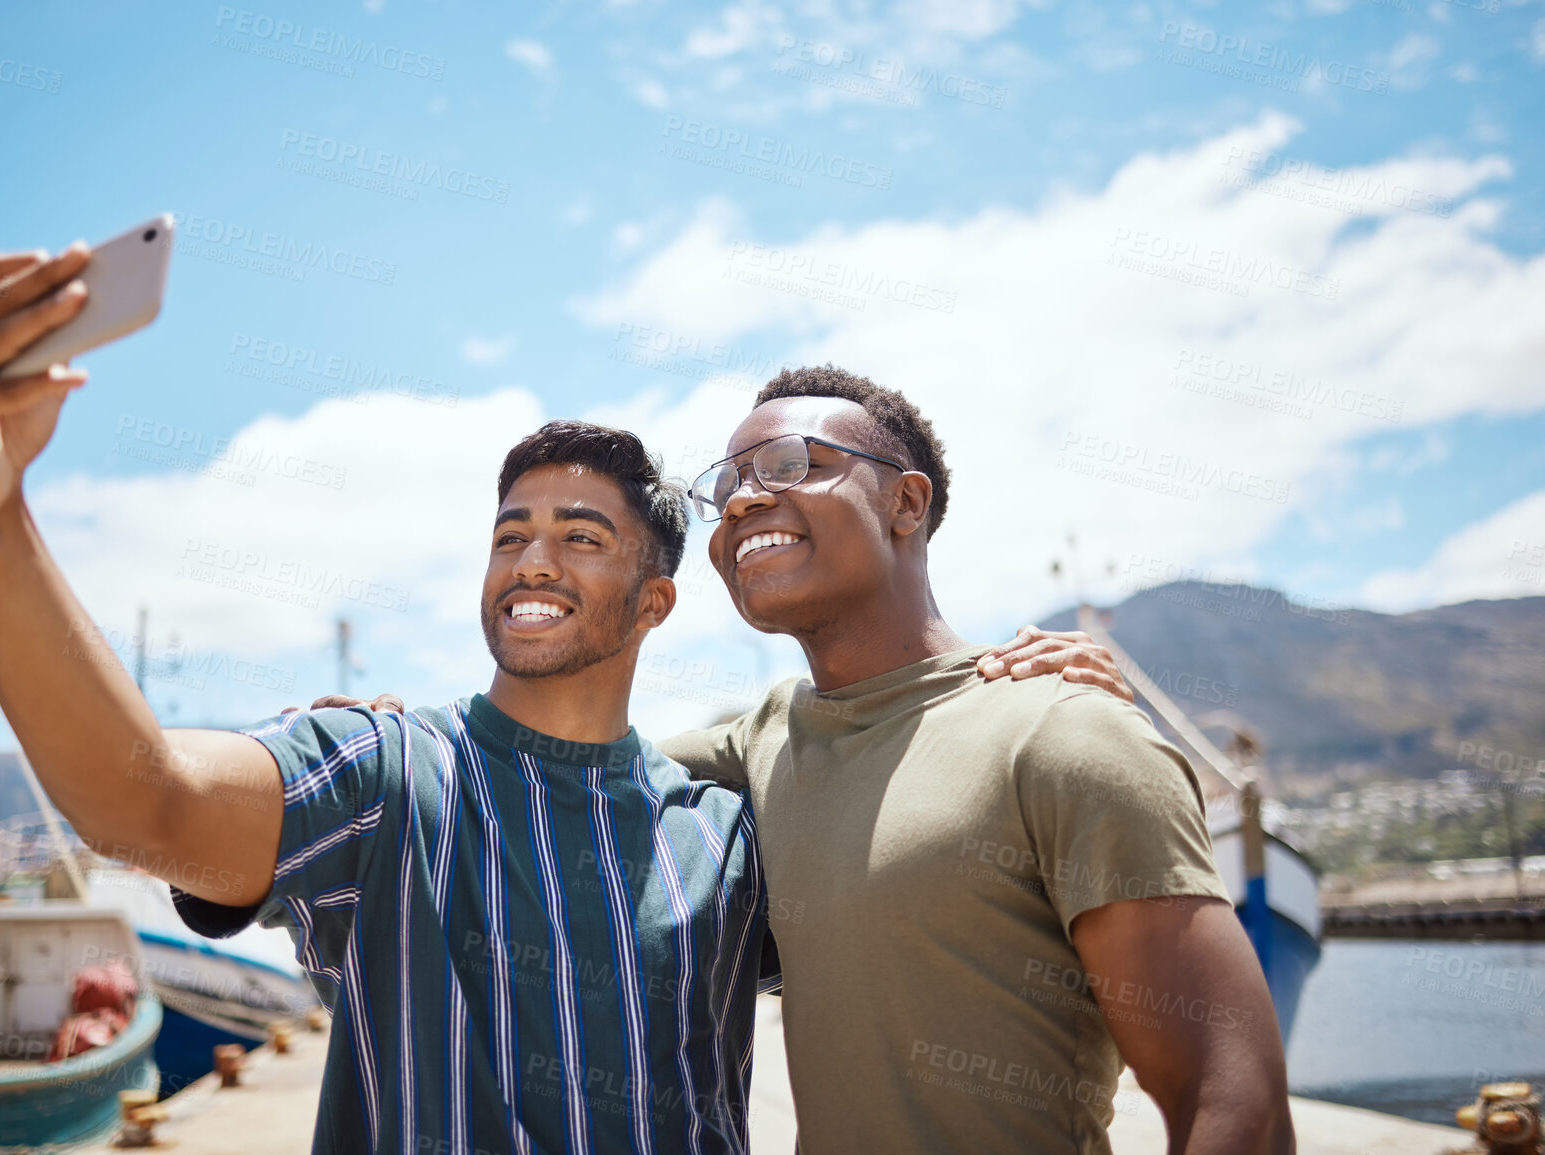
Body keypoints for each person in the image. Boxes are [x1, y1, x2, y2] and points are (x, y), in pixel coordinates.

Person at [0, 247, 1125, 1154]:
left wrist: (1015, 693)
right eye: (512, 535)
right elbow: (148, 806)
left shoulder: (723, 827)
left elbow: (892, 837)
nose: (534, 561)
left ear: (656, 602)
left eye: (581, 537)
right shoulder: (384, 773)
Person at [346, 367, 1294, 1154]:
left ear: (905, 502)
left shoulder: (1060, 733)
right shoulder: (756, 744)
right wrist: (393, 738)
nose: (746, 496)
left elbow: (1232, 1100)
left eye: (793, 463)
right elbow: (550, 770)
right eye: (728, 485)